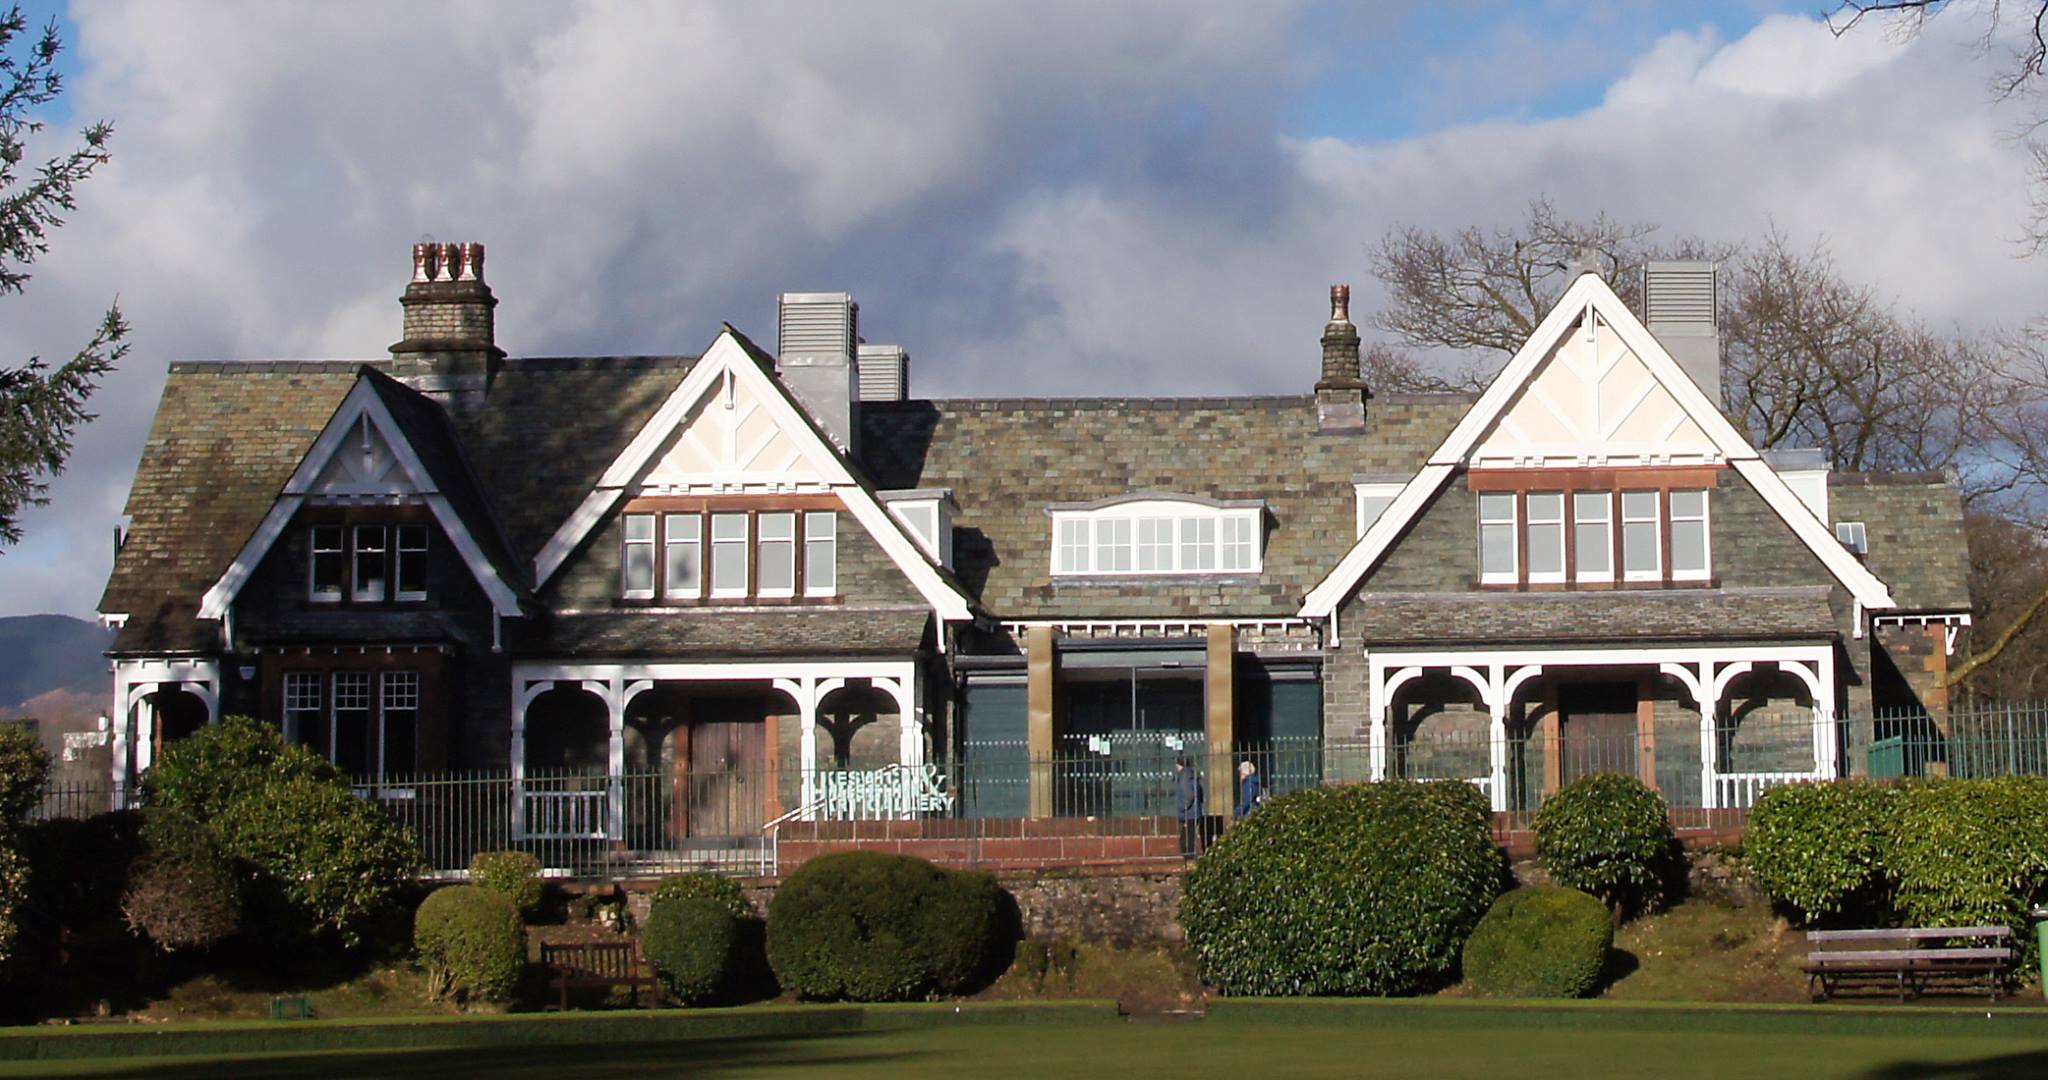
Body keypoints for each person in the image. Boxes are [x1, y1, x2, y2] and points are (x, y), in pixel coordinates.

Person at [1174, 756, 1205, 858]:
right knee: (1189, 837)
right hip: (1195, 812)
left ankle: (1189, 858)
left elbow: (1189, 795)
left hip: (1189, 813)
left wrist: (1183, 808)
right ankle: (1189, 857)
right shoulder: (1192, 774)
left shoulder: (1184, 777)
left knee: (1185, 840)